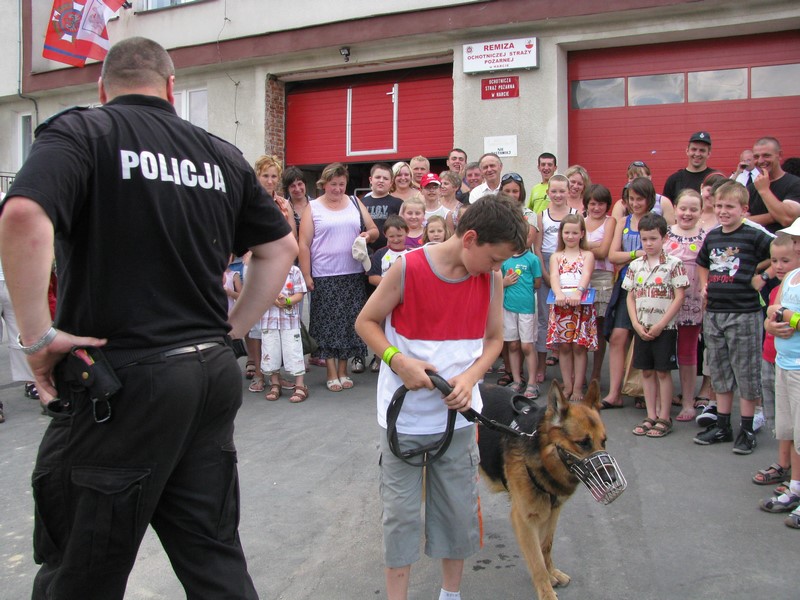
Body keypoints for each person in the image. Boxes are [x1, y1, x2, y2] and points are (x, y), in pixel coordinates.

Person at [0, 36, 297, 600]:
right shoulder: (219, 155)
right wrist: (231, 330)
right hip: (209, 375)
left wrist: (36, 337)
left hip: (124, 384)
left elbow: (21, 215)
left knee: (81, 569)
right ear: (170, 88)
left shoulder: (84, 131)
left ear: (102, 88)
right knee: (213, 559)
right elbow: (281, 247)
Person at [355, 194, 527, 600]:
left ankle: (451, 594)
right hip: (404, 421)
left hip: (460, 421)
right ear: (470, 239)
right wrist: (398, 361)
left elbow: (494, 339)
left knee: (456, 513)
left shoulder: (491, 281)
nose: (497, 269)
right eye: (495, 259)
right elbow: (366, 322)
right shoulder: (407, 268)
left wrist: (471, 378)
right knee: (400, 517)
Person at [694, 181, 774, 453]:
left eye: (730, 206)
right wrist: (704, 285)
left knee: (746, 372)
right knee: (720, 371)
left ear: (744, 208)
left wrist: (764, 275)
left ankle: (747, 429)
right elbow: (702, 262)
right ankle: (723, 425)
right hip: (715, 313)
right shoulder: (714, 235)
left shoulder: (753, 234)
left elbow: (782, 252)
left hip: (744, 313)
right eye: (719, 206)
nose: (723, 211)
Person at [298, 162, 378, 392]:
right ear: (324, 184)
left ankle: (344, 371)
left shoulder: (354, 202)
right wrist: (306, 274)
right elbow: (303, 244)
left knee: (348, 324)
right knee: (327, 325)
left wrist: (367, 235)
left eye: (342, 184)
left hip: (352, 274)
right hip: (324, 275)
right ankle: (331, 373)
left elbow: (374, 230)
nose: (338, 189)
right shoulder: (313, 207)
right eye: (333, 184)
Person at [624, 214, 688, 437]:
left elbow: (679, 296)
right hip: (642, 327)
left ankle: (664, 416)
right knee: (647, 372)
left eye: (653, 238)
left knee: (663, 372)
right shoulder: (635, 266)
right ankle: (651, 414)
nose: (649, 243)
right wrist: (635, 323)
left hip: (665, 329)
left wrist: (661, 324)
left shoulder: (674, 264)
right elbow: (630, 296)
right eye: (644, 239)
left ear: (664, 238)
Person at [601, 177, 656, 408]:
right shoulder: (622, 221)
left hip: (650, 287)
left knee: (646, 337)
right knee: (618, 336)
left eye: (639, 199)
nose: (635, 203)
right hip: (626, 284)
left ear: (649, 199)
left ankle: (643, 391)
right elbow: (613, 255)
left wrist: (629, 256)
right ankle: (615, 393)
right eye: (631, 198)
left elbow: (659, 254)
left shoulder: (656, 221)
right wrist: (636, 254)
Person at [760, 220, 800, 528]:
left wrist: (789, 317)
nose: (796, 245)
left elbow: (787, 314)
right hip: (785, 364)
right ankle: (795, 487)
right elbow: (772, 313)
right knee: (791, 433)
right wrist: (771, 324)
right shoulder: (791, 278)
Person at [665, 189, 707, 422]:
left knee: (687, 352)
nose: (687, 213)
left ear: (701, 211)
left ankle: (688, 401)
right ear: (675, 209)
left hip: (693, 302)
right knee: (663, 351)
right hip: (664, 302)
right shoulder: (665, 234)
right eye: (683, 208)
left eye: (693, 209)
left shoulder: (707, 236)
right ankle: (662, 400)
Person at [546, 214, 597, 401]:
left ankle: (577, 388)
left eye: (575, 233)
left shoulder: (587, 255)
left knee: (579, 347)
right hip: (561, 305)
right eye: (567, 232)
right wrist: (558, 293)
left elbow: (586, 275)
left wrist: (578, 292)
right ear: (561, 233)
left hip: (580, 305)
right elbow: (554, 276)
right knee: (564, 347)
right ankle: (567, 386)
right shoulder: (556, 256)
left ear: (582, 234)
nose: (570, 236)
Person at [534, 174, 576, 383]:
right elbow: (537, 248)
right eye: (554, 191)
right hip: (546, 266)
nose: (558, 195)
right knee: (544, 319)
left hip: (569, 268)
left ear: (569, 192)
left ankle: (572, 370)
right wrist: (545, 274)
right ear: (548, 192)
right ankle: (541, 365)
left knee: (570, 320)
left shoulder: (576, 214)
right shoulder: (541, 215)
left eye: (562, 191)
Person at [366, 215, 410, 373]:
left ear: (407, 233)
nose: (396, 239)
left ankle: (404, 359)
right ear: (385, 235)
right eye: (392, 236)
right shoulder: (380, 254)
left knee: (402, 331)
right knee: (382, 330)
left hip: (405, 300)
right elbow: (372, 277)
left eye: (399, 235)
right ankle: (380, 359)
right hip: (384, 299)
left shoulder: (412, 253)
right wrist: (390, 284)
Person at [260, 264, 308, 403]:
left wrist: (286, 301)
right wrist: (274, 300)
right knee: (271, 349)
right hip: (269, 320)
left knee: (293, 350)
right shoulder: (263, 270)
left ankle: (300, 385)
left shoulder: (294, 271)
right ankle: (275, 383)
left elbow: (299, 293)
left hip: (290, 321)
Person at [584, 184, 616, 383]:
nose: (596, 208)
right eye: (592, 203)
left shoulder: (610, 222)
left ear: (607, 205)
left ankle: (596, 373)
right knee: (581, 327)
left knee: (599, 328)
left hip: (603, 277)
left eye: (601, 204)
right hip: (581, 277)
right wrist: (596, 245)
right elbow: (571, 246)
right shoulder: (580, 221)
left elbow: (604, 252)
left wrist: (584, 246)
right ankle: (579, 375)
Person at [746, 137, 800, 233]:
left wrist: (764, 190)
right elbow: (738, 221)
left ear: (779, 155)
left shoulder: (795, 184)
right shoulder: (750, 188)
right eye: (756, 157)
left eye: (766, 155)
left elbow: (787, 219)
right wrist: (775, 216)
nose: (760, 161)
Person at [612, 161, 675, 225]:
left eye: (639, 177)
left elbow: (670, 228)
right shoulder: (622, 204)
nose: (635, 180)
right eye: (631, 178)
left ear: (649, 177)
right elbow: (616, 227)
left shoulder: (663, 202)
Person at [362, 163, 403, 253]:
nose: (381, 181)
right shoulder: (362, 203)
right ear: (370, 180)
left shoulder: (398, 203)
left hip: (390, 250)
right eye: (378, 177)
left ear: (391, 182)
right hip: (365, 251)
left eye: (385, 178)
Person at [662, 131, 715, 202]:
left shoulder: (715, 179)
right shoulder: (674, 180)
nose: (697, 154)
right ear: (687, 151)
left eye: (702, 150)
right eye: (694, 149)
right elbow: (666, 206)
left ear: (708, 154)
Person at [282, 165, 314, 234]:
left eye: (300, 184)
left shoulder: (316, 205)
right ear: (287, 189)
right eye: (293, 186)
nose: (297, 189)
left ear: (305, 184)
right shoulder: (283, 209)